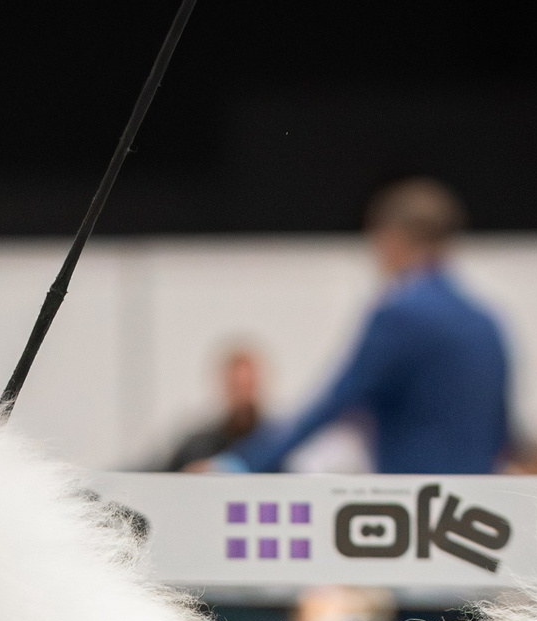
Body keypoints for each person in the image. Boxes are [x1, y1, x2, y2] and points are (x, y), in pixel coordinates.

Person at [208, 179, 510, 476]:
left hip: (417, 506)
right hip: (475, 508)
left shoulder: (399, 315)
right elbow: (502, 430)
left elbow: (335, 403)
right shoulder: (487, 323)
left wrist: (241, 464)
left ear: (390, 239)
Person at [155, 343, 265, 471]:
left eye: (247, 386)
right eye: (236, 387)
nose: (242, 396)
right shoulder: (198, 445)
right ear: (224, 386)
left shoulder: (272, 444)